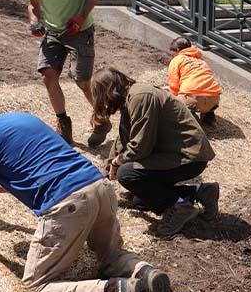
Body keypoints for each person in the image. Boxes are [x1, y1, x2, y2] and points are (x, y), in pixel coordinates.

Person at [0, 95, 173, 292]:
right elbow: (41, 169)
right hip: (99, 187)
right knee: (111, 256)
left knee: (36, 287)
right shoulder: (21, 118)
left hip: (68, 204)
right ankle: (147, 274)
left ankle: (118, 289)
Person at [90, 67, 219, 237]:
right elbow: (124, 139)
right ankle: (200, 192)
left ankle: (181, 208)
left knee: (127, 174)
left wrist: (117, 163)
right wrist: (105, 169)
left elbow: (140, 147)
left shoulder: (141, 97)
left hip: (189, 157)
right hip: (171, 154)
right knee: (140, 201)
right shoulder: (131, 98)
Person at [15, 0, 110, 147]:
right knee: (48, 75)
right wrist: (34, 21)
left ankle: (102, 120)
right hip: (53, 31)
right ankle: (63, 123)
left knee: (83, 81)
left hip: (80, 30)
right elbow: (33, 3)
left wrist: (80, 16)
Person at [167, 36, 222, 124]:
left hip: (194, 100)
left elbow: (174, 85)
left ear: (177, 50)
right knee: (202, 89)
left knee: (173, 104)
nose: (172, 56)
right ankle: (208, 116)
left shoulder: (177, 60)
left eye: (172, 54)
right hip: (214, 99)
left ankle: (190, 117)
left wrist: (174, 99)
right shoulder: (201, 61)